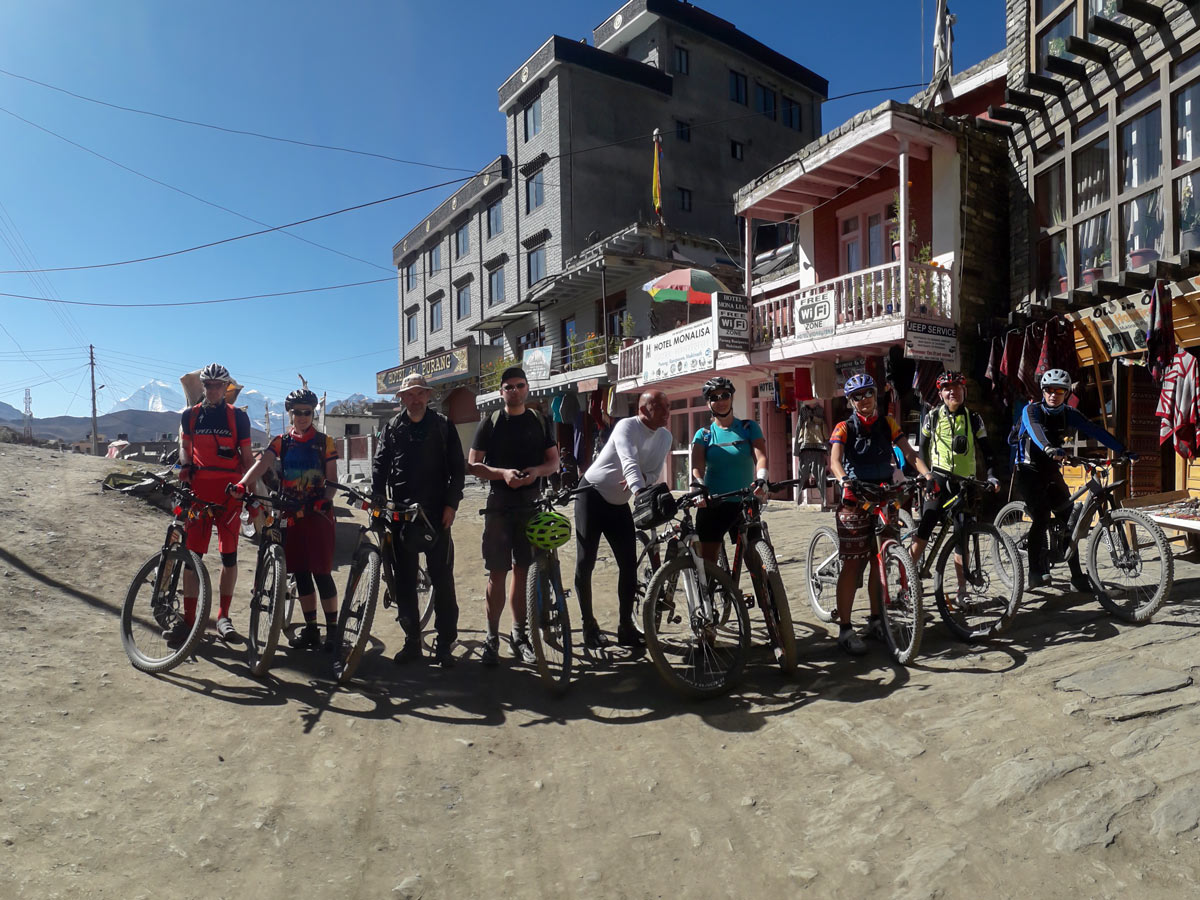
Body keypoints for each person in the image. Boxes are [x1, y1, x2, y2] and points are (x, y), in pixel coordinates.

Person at [828, 373, 934, 655]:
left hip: (885, 494)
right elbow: (835, 460)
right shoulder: (844, 427)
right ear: (850, 401)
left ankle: (877, 618)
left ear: (875, 395)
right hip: (856, 497)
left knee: (881, 560)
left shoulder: (888, 423)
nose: (863, 400)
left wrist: (926, 474)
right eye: (857, 396)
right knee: (853, 563)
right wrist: (843, 480)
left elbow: (909, 454)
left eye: (868, 394)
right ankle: (846, 629)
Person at [234, 388, 340, 651]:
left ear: (312, 413)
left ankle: (334, 632)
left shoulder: (325, 442)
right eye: (297, 412)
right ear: (290, 414)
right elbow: (262, 463)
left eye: (307, 412)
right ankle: (313, 629)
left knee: (322, 572)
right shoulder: (282, 441)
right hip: (291, 514)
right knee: (302, 573)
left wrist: (324, 498)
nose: (303, 417)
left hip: (317, 514)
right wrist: (242, 483)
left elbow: (333, 480)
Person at [468, 366, 560, 666]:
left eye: (519, 385)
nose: (515, 391)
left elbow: (553, 462)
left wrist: (536, 472)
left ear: (528, 388)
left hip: (531, 504)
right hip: (498, 505)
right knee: (498, 572)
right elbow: (474, 465)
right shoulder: (491, 423)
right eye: (508, 387)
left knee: (523, 571)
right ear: (501, 392)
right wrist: (503, 474)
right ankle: (492, 637)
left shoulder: (540, 420)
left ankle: (519, 635)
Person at [371, 373, 464, 667]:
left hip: (436, 514)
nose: (414, 399)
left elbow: (457, 470)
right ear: (401, 399)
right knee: (405, 581)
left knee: (442, 580)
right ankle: (412, 640)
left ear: (427, 395)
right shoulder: (392, 428)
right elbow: (380, 465)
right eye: (408, 394)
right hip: (401, 515)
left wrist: (451, 504)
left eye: (419, 393)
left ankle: (445, 643)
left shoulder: (443, 426)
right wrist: (376, 498)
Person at [573, 389, 672, 649]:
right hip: (591, 496)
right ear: (643, 410)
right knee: (586, 562)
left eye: (668, 406)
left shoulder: (665, 436)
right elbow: (629, 462)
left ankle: (626, 627)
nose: (667, 412)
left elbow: (654, 472)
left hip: (618, 504)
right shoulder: (625, 427)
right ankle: (588, 625)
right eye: (660, 407)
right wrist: (639, 491)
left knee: (628, 565)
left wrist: (641, 482)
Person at [1015, 368, 1127, 590]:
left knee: (1068, 520)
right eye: (1049, 390)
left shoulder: (1069, 413)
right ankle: (1034, 572)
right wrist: (1048, 447)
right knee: (1041, 515)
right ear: (1043, 391)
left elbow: (1095, 430)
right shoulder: (1032, 410)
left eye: (1059, 391)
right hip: (1027, 469)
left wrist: (1122, 450)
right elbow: (1036, 430)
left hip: (1049, 468)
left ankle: (1077, 577)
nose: (1053, 394)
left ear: (1066, 393)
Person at [171, 363, 255, 648]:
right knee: (192, 559)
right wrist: (185, 464)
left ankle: (223, 617)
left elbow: (246, 457)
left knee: (228, 557)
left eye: (219, 386)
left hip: (230, 496)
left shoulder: (238, 418)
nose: (213, 390)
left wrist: (252, 493)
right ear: (204, 387)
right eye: (208, 385)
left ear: (226, 388)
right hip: (198, 495)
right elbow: (185, 446)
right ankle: (189, 618)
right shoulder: (190, 416)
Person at [909, 371, 1000, 570]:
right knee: (927, 524)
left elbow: (987, 451)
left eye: (957, 387)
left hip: (966, 482)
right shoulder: (932, 417)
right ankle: (906, 578)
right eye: (947, 389)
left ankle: (961, 590)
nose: (953, 392)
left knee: (963, 536)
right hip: (939, 478)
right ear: (940, 394)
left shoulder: (974, 418)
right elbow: (922, 447)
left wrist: (992, 476)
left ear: (964, 391)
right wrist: (926, 475)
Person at [689, 376, 768, 564]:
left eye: (725, 395)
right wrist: (698, 488)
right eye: (714, 397)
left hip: (745, 502)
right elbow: (697, 467)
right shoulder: (704, 435)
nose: (720, 401)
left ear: (732, 398)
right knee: (708, 561)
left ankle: (768, 593)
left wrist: (762, 479)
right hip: (714, 504)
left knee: (756, 560)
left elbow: (761, 457)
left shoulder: (749, 427)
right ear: (708, 403)